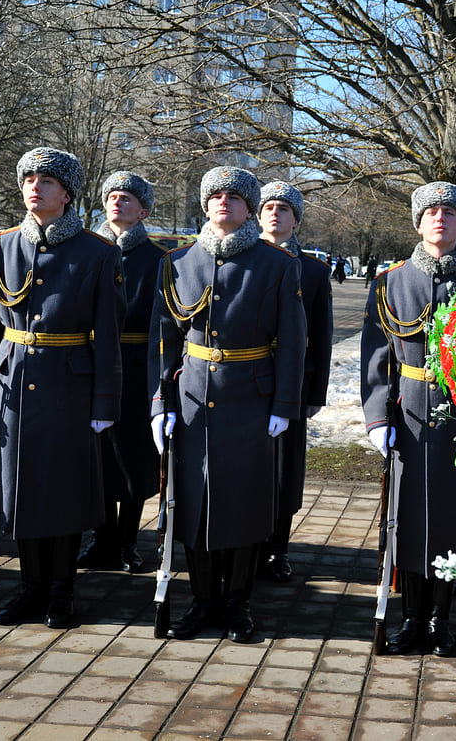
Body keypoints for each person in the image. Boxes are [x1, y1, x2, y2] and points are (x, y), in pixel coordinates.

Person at [0, 147, 124, 628]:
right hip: (14, 384)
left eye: (46, 180)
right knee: (21, 491)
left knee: (66, 491)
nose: (35, 186)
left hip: (71, 386)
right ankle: (30, 587)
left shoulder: (98, 252)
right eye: (29, 178)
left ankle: (62, 591)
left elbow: (109, 336)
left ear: (67, 193)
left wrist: (105, 402)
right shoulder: (1, 245)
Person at [149, 166, 305, 643]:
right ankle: (202, 600)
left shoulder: (276, 264)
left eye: (235, 197)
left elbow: (293, 341)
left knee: (242, 504)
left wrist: (283, 404)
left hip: (250, 400)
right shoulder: (176, 262)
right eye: (215, 195)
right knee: (193, 502)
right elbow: (162, 338)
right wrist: (161, 401)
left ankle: (238, 603)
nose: (224, 203)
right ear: (204, 204)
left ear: (249, 208)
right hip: (193, 397)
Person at [361, 181, 456, 657]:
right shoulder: (390, 283)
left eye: (450, 213)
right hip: (409, 416)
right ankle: (411, 617)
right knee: (407, 520)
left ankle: (441, 619)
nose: (439, 218)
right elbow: (376, 360)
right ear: (418, 223)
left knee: (452, 522)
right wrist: (378, 419)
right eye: (430, 212)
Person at [78, 172, 165, 574]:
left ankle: (128, 541)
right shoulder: (86, 249)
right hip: (88, 365)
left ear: (143, 210)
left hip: (134, 367)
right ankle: (101, 538)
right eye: (112, 196)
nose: (117, 203)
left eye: (127, 198)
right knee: (95, 458)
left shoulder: (159, 259)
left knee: (133, 457)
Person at [257, 181, 332, 582]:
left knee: (285, 471)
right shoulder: (242, 260)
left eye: (283, 208)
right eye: (268, 206)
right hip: (246, 379)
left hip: (293, 383)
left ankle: (277, 549)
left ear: (296, 219)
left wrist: (314, 392)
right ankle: (248, 545)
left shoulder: (315, 271)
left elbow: (320, 336)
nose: (274, 213)